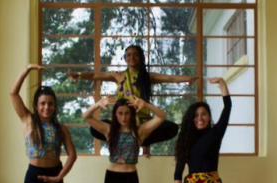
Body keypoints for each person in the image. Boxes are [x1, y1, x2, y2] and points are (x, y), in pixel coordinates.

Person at [67, 44, 195, 152]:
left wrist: (187, 79)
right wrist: (78, 75)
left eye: (135, 54)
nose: (132, 57)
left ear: (140, 58)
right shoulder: (118, 76)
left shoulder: (147, 77)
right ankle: (128, 139)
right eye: (129, 54)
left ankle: (143, 141)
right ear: (125, 58)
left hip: (143, 121)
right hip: (123, 121)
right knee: (94, 129)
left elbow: (170, 78)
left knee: (172, 128)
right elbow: (95, 75)